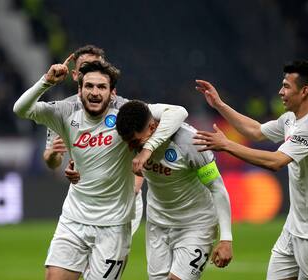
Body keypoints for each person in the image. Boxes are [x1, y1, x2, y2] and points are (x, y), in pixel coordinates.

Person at [13, 59, 188, 280]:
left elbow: (178, 112)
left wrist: (147, 150)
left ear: (112, 92)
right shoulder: (66, 112)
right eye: (89, 86)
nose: (95, 92)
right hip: (73, 220)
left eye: (101, 87)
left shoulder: (126, 113)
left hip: (113, 227)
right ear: (80, 90)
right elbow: (20, 109)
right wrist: (46, 82)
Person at [193, 60, 308, 280]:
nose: (280, 91)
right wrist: (219, 105)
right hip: (295, 226)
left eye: (286, 86)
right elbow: (255, 131)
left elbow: (276, 161)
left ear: (304, 91)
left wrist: (227, 145)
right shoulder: (291, 119)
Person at [115, 100, 233, 280]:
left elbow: (217, 188)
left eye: (136, 142)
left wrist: (226, 239)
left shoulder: (191, 142)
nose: (131, 148)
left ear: (153, 127)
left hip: (196, 225)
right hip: (157, 225)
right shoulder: (134, 133)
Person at [42, 45, 143, 235]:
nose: (92, 71)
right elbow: (51, 162)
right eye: (86, 67)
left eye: (97, 66)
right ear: (75, 75)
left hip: (120, 198)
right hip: (85, 200)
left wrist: (134, 188)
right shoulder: (63, 111)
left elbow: (140, 149)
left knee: (104, 263)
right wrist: (55, 153)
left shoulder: (120, 107)